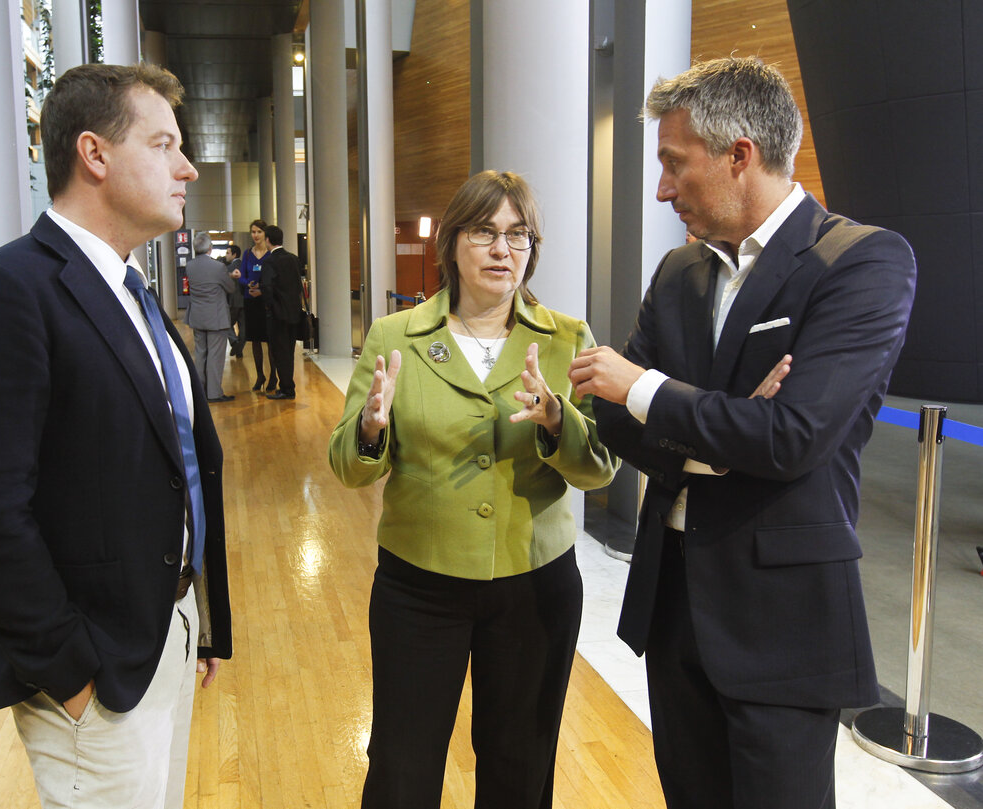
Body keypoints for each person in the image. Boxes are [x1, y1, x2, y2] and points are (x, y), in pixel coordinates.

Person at [568, 57, 917, 809]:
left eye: (672, 163)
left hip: (782, 624)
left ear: (739, 155)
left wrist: (651, 391)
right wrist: (726, 437)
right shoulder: (676, 272)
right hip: (674, 605)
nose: (662, 188)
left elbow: (792, 436)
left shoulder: (861, 261)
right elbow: (607, 414)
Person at [0, 63, 232, 809]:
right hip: (93, 670)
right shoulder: (4, 292)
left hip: (165, 629)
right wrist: (71, 675)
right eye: (164, 145)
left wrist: (202, 618)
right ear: (94, 154)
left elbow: (180, 463)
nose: (187, 167)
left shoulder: (132, 292)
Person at [329, 170, 619, 809]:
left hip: (535, 586)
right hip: (419, 587)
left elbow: (600, 467)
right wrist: (372, 429)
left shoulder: (568, 339)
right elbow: (348, 469)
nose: (502, 250)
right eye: (485, 232)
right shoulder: (394, 337)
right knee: (402, 763)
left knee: (521, 762)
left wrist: (555, 418)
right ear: (452, 243)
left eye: (518, 235)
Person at [185, 230, 235, 402]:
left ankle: (200, 392)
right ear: (210, 248)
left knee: (200, 355)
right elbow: (230, 288)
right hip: (216, 317)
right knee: (215, 356)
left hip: (197, 316)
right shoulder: (218, 267)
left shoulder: (190, 266)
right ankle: (214, 393)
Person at [259, 224, 302, 400]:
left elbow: (267, 287)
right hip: (294, 313)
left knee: (279, 352)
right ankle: (287, 385)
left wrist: (269, 305)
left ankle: (287, 389)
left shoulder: (270, 261)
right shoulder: (293, 258)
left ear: (267, 240)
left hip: (277, 315)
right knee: (289, 351)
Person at [239, 218, 274, 392]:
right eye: (253, 232)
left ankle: (273, 375)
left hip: (266, 301)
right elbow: (243, 276)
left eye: (259, 231)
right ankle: (260, 375)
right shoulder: (247, 253)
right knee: (255, 340)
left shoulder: (270, 253)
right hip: (250, 300)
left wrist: (262, 287)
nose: (256, 235)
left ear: (265, 233)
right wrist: (248, 284)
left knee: (270, 339)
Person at [223, 244, 245, 357]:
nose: (226, 255)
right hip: (245, 301)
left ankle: (234, 343)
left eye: (227, 253)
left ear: (234, 254)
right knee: (243, 326)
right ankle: (239, 348)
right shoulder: (245, 266)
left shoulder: (228, 268)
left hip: (232, 301)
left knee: (227, 324)